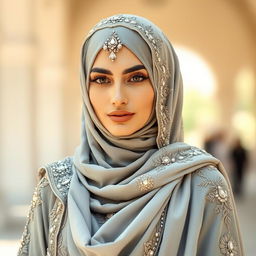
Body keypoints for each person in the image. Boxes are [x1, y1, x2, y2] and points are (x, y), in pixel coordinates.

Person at [18, 14, 244, 256]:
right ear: (86, 87)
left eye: (136, 77)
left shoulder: (201, 186)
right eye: (101, 79)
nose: (118, 97)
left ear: (163, 87)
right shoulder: (54, 188)